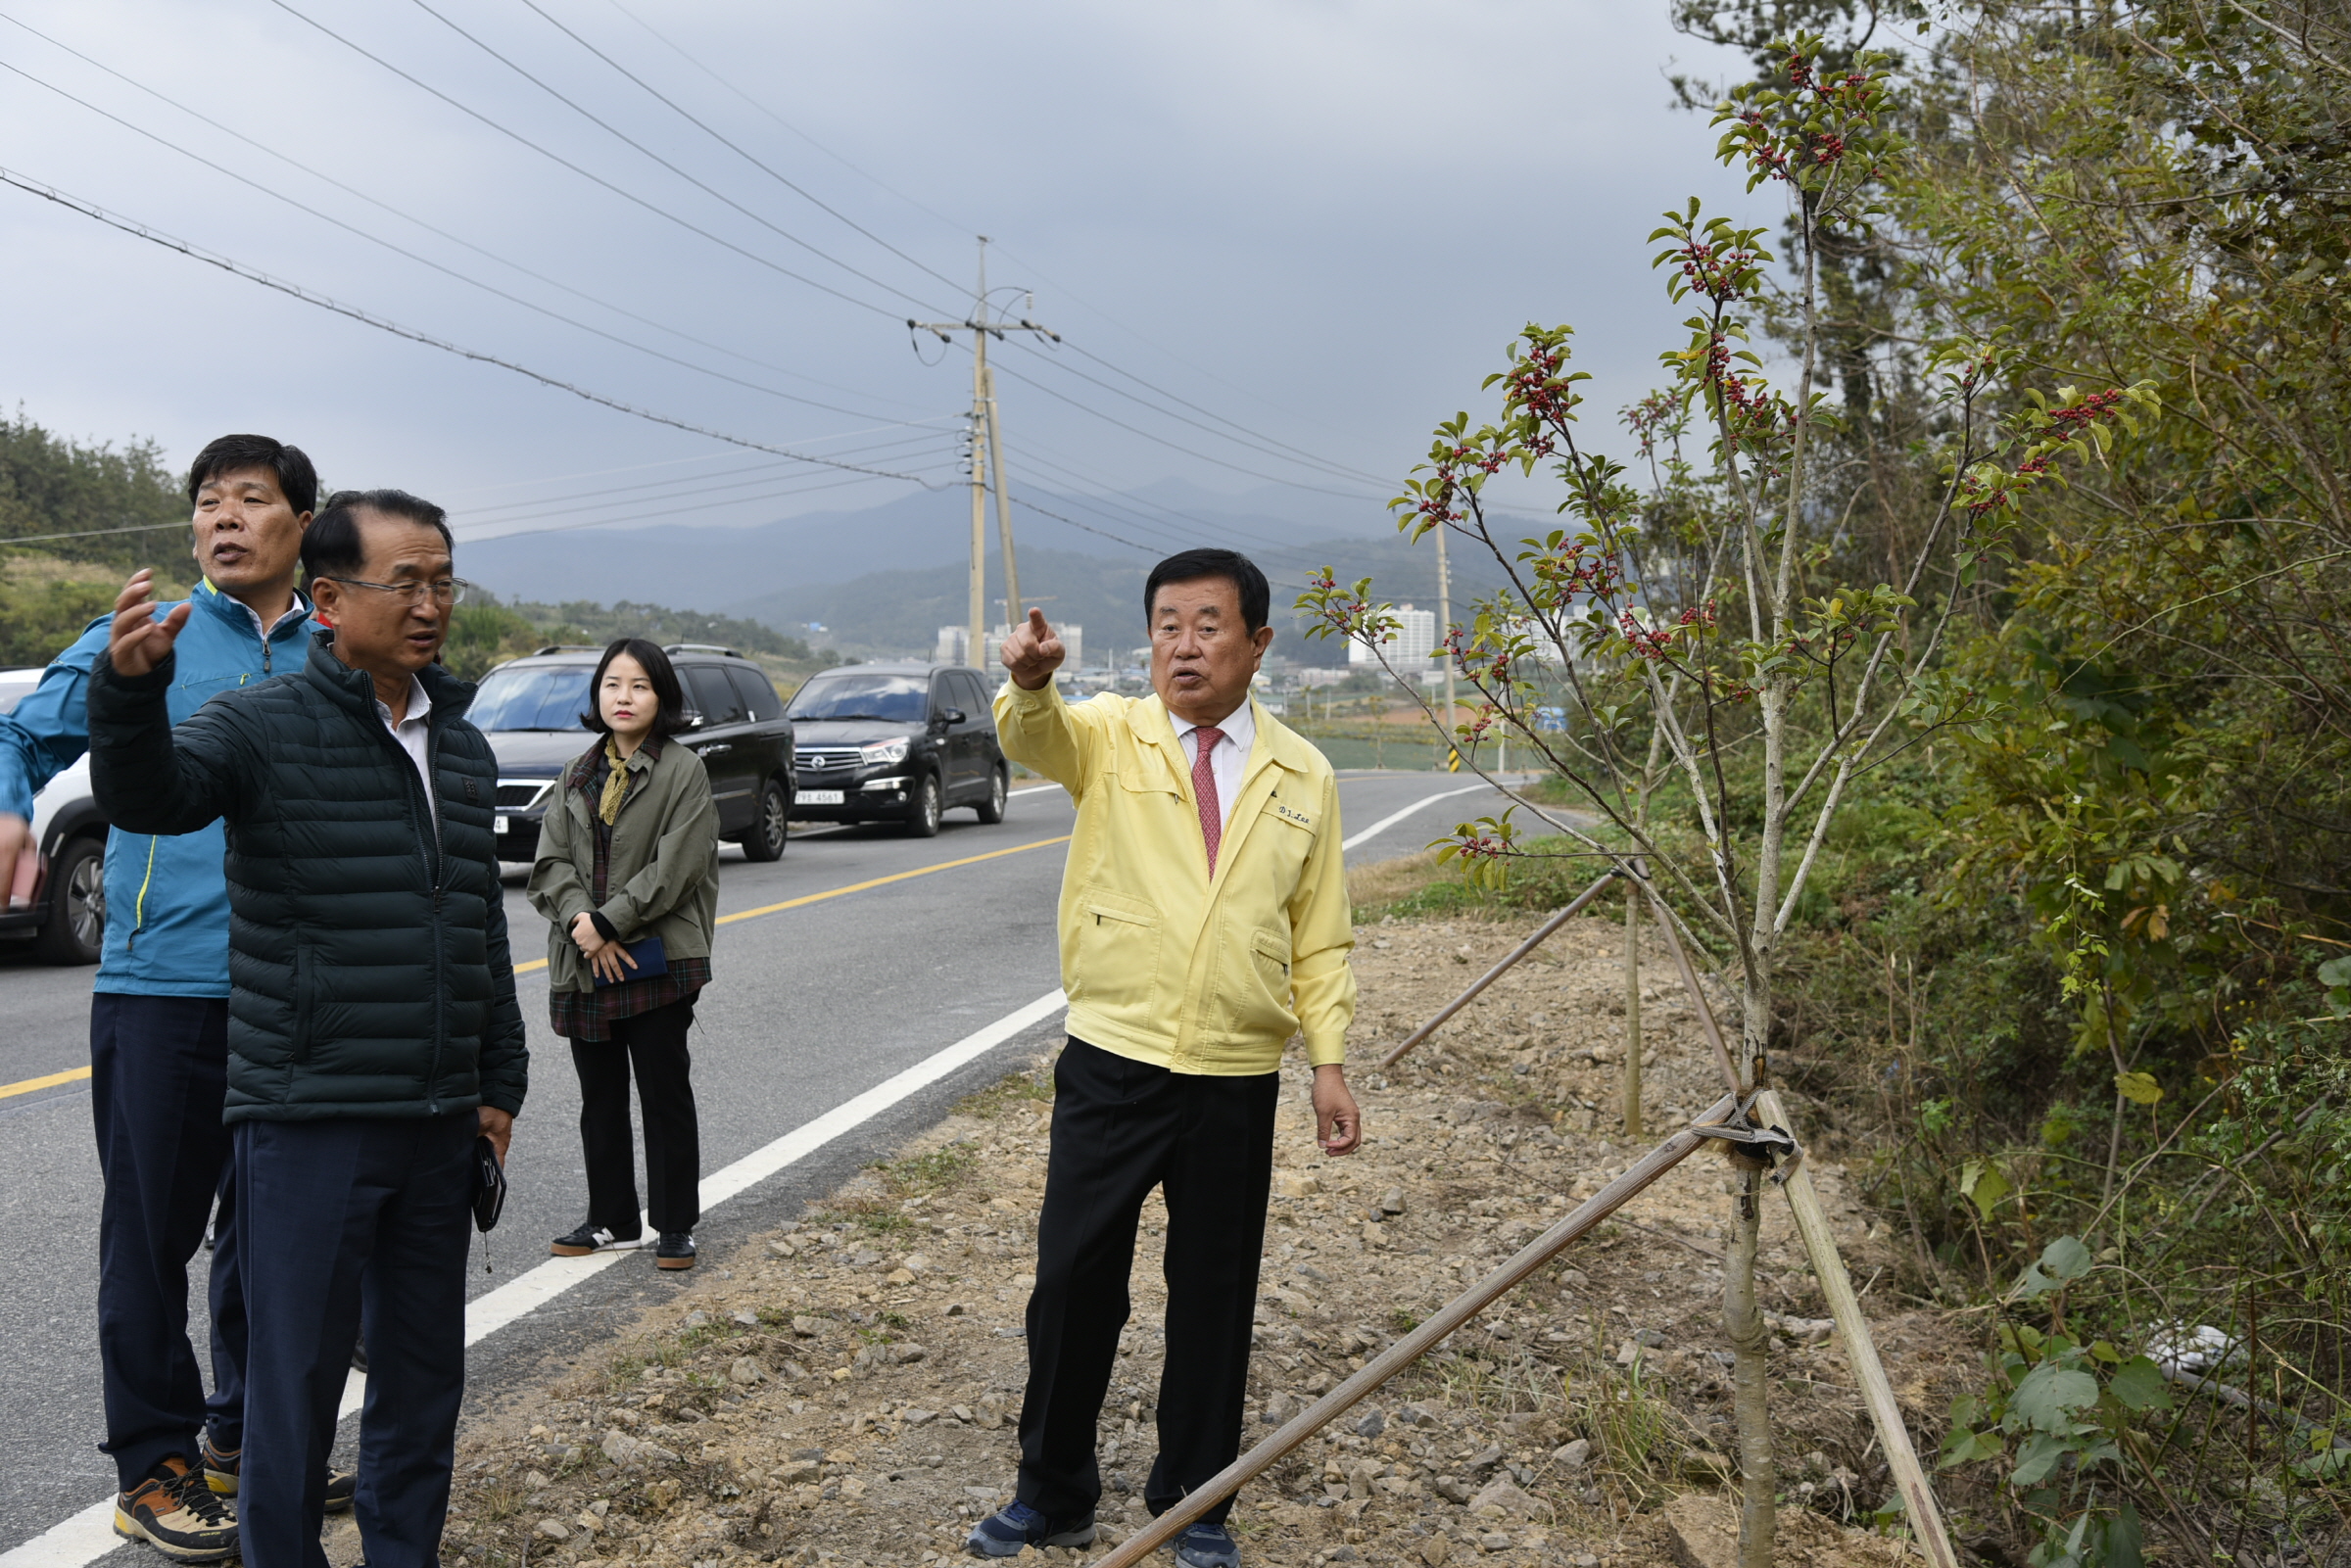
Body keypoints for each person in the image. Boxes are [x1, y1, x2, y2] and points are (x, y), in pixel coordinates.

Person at [84, 488, 528, 1568]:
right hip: (309, 1115)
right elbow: (152, 795)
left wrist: (499, 1080)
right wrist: (127, 694)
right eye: (404, 582)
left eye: (443, 580)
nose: (430, 605)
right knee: (293, 1387)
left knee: (424, 1380)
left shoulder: (460, 746)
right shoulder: (260, 722)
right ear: (329, 598)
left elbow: (474, 919)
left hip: (434, 1120)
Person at [967, 548, 1363, 1568]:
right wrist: (1030, 676)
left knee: (1215, 1289)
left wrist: (1328, 1060)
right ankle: (1052, 1492)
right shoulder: (1107, 731)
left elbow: (1320, 933)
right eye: (1166, 625)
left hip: (1234, 1071)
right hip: (1115, 1054)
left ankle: (1197, 1498)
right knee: (1071, 1278)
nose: (1183, 645)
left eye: (1207, 624)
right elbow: (1033, 736)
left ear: (1258, 642)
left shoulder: (1302, 772)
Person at [0, 435, 346, 1559]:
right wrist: (7, 805)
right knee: (149, 1236)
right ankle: (153, 1464)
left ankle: (242, 1437)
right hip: (163, 988)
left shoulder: (339, 650)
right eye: (207, 503)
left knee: (273, 1233)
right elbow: (15, 728)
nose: (224, 518)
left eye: (252, 499)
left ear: (303, 521)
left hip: (299, 989)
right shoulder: (138, 638)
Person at [529, 637, 719, 1271]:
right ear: (597, 695)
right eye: (613, 684)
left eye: (639, 685)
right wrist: (584, 920)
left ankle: (674, 1223)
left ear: (661, 696)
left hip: (659, 956)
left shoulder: (682, 771)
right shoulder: (578, 772)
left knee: (664, 1092)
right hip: (586, 957)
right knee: (599, 1097)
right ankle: (612, 1216)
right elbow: (550, 860)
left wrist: (611, 920)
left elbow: (680, 866)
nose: (624, 696)